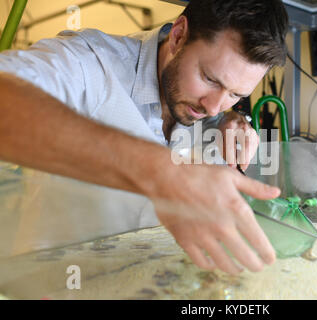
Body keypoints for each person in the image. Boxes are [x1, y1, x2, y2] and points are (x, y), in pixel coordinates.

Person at [0, 0, 288, 275]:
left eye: (236, 94)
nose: (213, 105)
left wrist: (231, 116)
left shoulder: (213, 113)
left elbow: (218, 109)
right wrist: (161, 172)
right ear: (178, 36)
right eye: (210, 79)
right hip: (54, 282)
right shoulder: (90, 64)